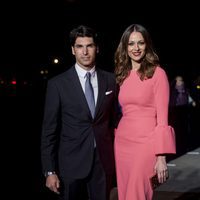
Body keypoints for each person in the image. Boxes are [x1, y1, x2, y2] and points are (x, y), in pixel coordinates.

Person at [41, 25, 117, 200]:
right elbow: (49, 131)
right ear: (73, 50)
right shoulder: (58, 84)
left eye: (89, 46)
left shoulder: (111, 80)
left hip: (102, 164)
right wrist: (50, 170)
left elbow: (115, 121)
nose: (85, 52)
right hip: (70, 166)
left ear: (96, 48)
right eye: (79, 46)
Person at [114, 24, 176, 200]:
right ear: (125, 47)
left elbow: (163, 119)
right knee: (125, 194)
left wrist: (161, 157)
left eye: (140, 43)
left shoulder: (158, 74)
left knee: (138, 194)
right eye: (131, 43)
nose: (136, 48)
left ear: (147, 45)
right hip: (122, 143)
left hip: (146, 144)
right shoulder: (122, 75)